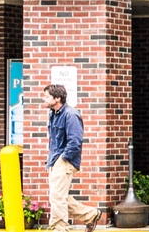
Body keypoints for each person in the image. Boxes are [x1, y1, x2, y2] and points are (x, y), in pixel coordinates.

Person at [44, 84, 102, 231]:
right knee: (58, 197)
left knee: (57, 197)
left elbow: (75, 142)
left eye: (47, 96)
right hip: (55, 160)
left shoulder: (71, 115)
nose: (44, 99)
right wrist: (52, 161)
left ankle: (59, 228)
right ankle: (91, 215)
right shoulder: (53, 114)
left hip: (65, 161)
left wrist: (63, 159)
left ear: (57, 98)